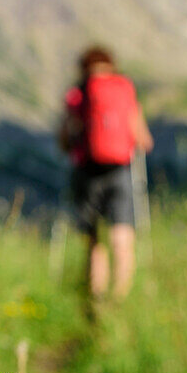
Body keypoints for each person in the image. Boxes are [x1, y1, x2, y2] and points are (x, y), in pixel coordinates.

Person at [59, 46, 153, 299]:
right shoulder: (124, 89)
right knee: (122, 238)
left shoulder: (77, 95)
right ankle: (119, 300)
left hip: (87, 173)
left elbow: (65, 140)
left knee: (94, 242)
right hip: (121, 172)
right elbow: (144, 140)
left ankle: (96, 300)